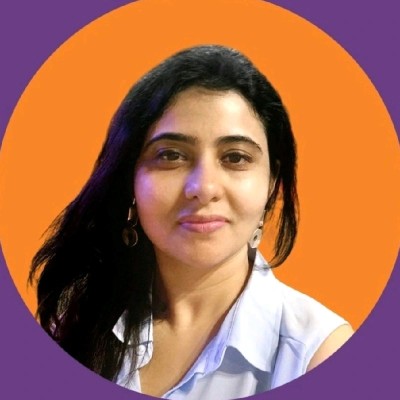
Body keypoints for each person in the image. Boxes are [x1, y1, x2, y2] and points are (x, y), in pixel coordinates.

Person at [29, 45, 353, 399]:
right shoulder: (75, 322)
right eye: (171, 155)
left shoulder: (318, 353)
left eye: (235, 158)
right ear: (129, 179)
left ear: (271, 184)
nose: (204, 188)